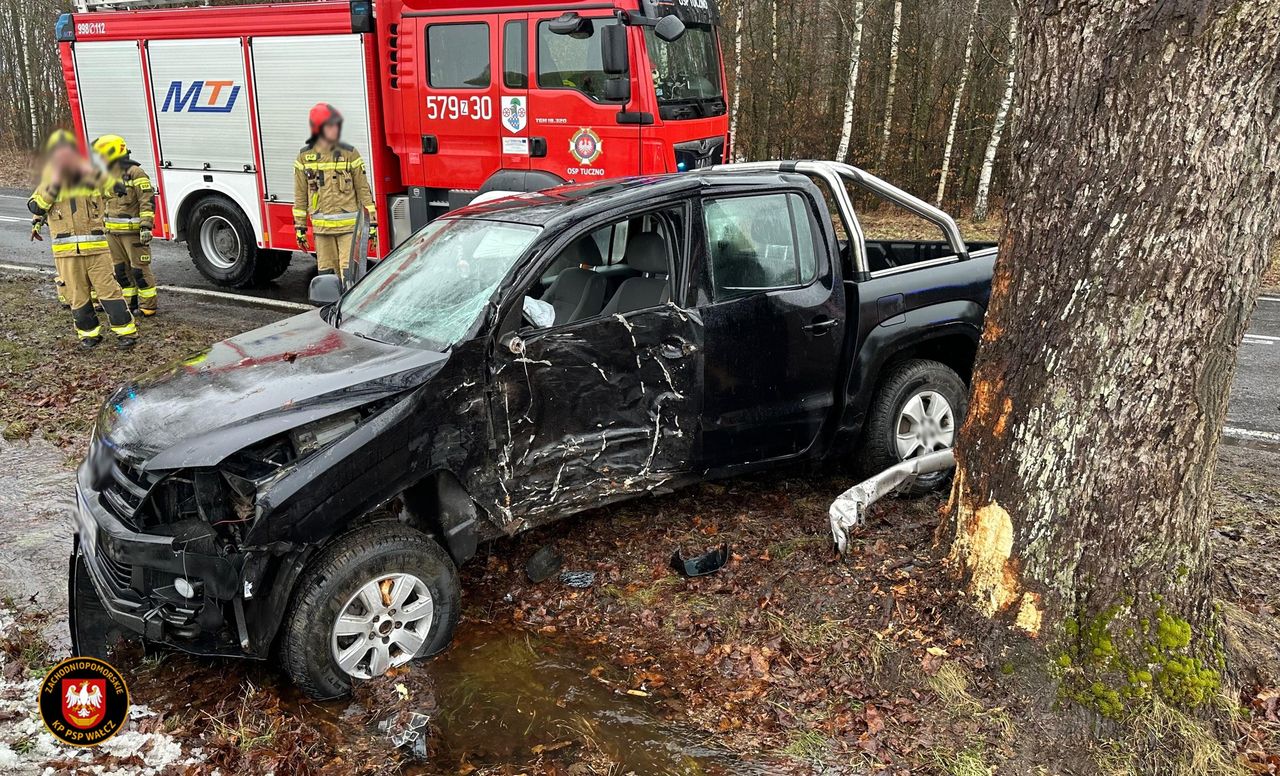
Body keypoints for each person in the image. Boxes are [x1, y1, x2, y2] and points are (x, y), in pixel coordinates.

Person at [28, 130, 137, 349]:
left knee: (110, 292)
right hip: (67, 253)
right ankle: (89, 335)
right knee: (77, 295)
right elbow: (36, 206)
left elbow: (112, 186)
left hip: (97, 251)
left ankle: (126, 333)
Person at [293, 104, 377, 281]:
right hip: (322, 230)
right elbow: (300, 194)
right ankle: (330, 308)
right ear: (318, 129)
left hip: (349, 228)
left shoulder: (350, 154)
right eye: (330, 125)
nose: (335, 129)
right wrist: (300, 227)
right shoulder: (304, 157)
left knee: (350, 275)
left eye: (336, 125)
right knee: (327, 276)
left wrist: (373, 224)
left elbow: (363, 190)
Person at [92, 134, 158, 316]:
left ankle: (148, 305)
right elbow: (100, 201)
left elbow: (147, 201)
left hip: (133, 234)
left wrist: (146, 226)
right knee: (121, 272)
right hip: (112, 233)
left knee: (139, 270)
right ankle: (129, 303)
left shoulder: (136, 173)